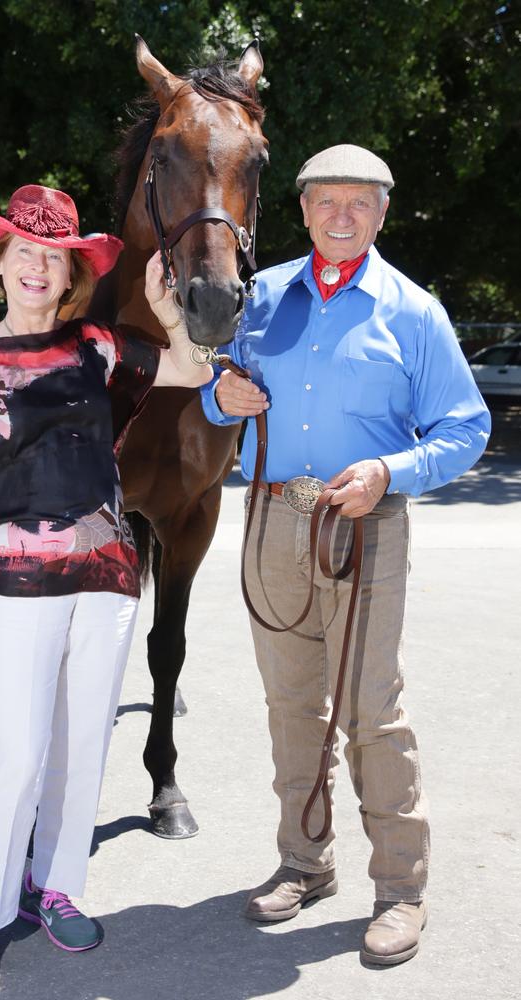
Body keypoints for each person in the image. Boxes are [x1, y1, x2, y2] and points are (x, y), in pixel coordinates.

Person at [0, 184, 209, 991]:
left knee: (82, 750)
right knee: (15, 755)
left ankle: (57, 887)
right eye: (23, 253)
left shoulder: (99, 346)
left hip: (109, 580)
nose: (37, 267)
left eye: (54, 257)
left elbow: (193, 367)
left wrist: (166, 310)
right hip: (13, 582)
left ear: (71, 273)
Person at [200, 144, 490, 966]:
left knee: (370, 713)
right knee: (292, 706)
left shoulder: (414, 310)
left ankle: (401, 888)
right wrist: (219, 395)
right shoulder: (260, 298)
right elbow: (221, 390)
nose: (341, 216)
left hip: (366, 526)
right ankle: (304, 861)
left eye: (359, 202)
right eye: (326, 200)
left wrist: (391, 470)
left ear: (383, 212)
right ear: (301, 210)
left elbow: (466, 429)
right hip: (268, 523)